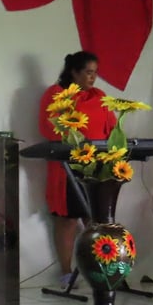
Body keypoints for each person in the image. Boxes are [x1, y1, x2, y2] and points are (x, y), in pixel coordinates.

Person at [38, 51, 116, 288]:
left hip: (97, 166)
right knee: (68, 220)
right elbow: (49, 128)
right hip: (68, 168)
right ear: (74, 71)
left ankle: (103, 270)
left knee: (98, 220)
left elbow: (112, 128)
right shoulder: (56, 95)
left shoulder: (99, 96)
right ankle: (66, 273)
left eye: (95, 73)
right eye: (89, 72)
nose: (93, 78)